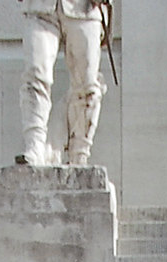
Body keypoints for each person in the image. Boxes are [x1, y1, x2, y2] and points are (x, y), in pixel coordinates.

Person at [18, 0, 105, 167]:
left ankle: (79, 155)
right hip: (39, 7)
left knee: (87, 86)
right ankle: (34, 145)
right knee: (35, 75)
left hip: (84, 8)